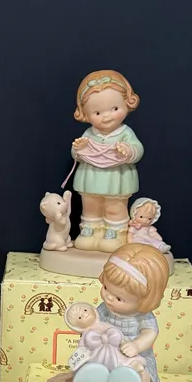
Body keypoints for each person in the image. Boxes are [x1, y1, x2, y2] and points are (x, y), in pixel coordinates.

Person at [65, 244, 170, 382]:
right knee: (93, 366)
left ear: (144, 300)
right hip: (103, 354)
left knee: (141, 372)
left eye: (119, 298)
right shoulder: (104, 308)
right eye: (106, 288)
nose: (108, 298)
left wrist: (136, 345)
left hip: (132, 356)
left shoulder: (143, 316)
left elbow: (150, 332)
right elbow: (94, 324)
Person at [67, 70, 143, 252]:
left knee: (114, 207)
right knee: (90, 206)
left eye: (114, 109)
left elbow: (138, 149)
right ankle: (90, 231)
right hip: (90, 178)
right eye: (97, 112)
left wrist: (128, 150)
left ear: (127, 102)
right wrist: (79, 149)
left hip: (116, 179)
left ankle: (114, 233)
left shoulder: (125, 133)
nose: (107, 116)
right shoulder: (89, 133)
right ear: (85, 114)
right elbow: (76, 154)